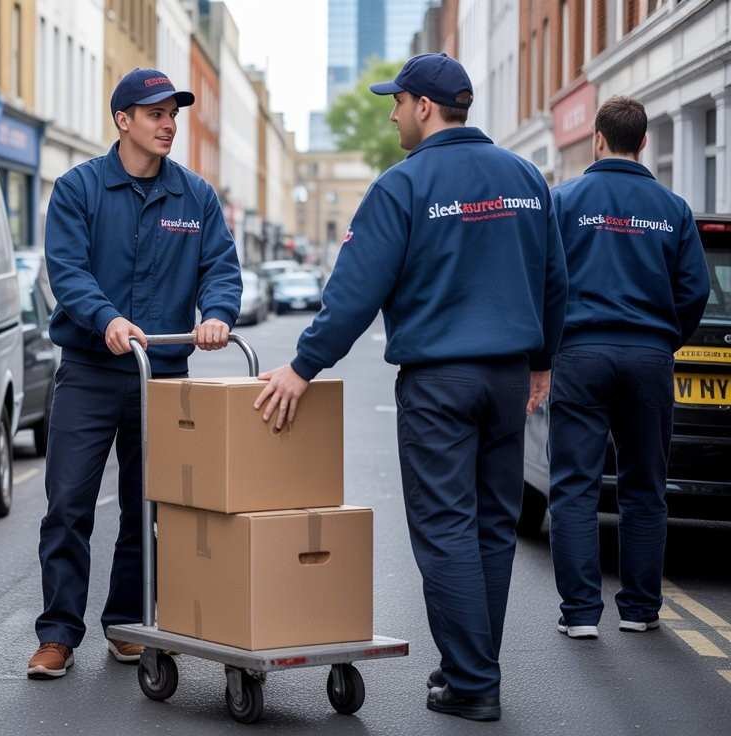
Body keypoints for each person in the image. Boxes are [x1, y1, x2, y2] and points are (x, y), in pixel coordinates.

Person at [253, 53, 567, 722]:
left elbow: (354, 292)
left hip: (439, 383)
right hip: (508, 376)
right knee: (490, 527)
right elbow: (554, 280)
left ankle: (474, 680)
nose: (392, 114)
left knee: (446, 527)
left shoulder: (404, 186)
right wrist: (541, 361)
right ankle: (471, 668)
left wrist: (302, 365)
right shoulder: (526, 179)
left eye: (396, 102)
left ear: (425, 106)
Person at [27, 68, 242, 679]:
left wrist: (218, 314)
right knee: (67, 504)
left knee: (148, 509)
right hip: (92, 372)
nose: (168, 123)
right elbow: (67, 272)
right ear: (123, 120)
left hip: (163, 379)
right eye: (154, 113)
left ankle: (125, 622)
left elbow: (220, 268)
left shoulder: (195, 197)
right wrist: (106, 319)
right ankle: (57, 635)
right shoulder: (78, 189)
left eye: (173, 113)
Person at [546, 96, 710, 640]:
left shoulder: (564, 201)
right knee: (645, 486)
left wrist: (548, 348)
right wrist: (663, 341)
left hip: (580, 355)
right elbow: (694, 291)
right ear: (642, 143)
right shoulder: (672, 209)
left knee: (574, 485)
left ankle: (579, 614)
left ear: (597, 138)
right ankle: (639, 609)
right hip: (648, 359)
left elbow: (545, 281)